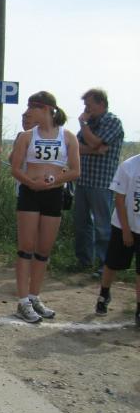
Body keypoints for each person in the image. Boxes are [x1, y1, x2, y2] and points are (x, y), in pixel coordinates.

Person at [11, 92, 80, 323]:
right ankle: (22, 300)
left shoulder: (68, 137)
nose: (28, 112)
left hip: (53, 194)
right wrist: (31, 183)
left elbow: (75, 170)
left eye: (33, 107)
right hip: (30, 193)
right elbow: (15, 168)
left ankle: (34, 296)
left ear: (47, 109)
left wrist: (53, 180)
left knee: (43, 249)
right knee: (26, 247)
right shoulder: (26, 136)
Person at [75, 88, 124, 272]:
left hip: (102, 182)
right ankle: (84, 261)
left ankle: (105, 264)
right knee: (81, 224)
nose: (86, 109)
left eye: (89, 105)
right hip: (83, 180)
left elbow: (95, 142)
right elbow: (76, 147)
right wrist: (94, 149)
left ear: (101, 104)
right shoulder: (90, 124)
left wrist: (84, 125)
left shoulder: (112, 121)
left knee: (102, 226)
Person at [94, 153, 140, 327]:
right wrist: (126, 231)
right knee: (112, 263)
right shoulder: (129, 166)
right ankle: (104, 293)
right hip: (123, 225)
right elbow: (119, 200)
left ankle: (139, 309)